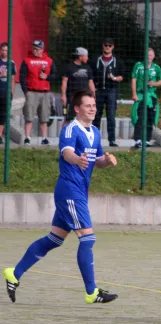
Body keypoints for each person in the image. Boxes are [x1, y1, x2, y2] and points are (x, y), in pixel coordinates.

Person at [2, 90, 119, 304]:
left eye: (94, 105)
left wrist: (107, 161)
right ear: (77, 108)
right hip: (70, 192)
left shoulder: (94, 131)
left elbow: (97, 160)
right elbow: (67, 153)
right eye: (88, 105)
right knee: (88, 238)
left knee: (53, 240)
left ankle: (14, 273)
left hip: (78, 192)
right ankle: (91, 292)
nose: (92, 108)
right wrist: (77, 160)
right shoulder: (70, 129)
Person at [20, 40, 57, 145]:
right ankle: (27, 137)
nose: (35, 50)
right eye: (34, 48)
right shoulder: (27, 60)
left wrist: (47, 77)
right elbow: (22, 76)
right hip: (31, 91)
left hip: (45, 92)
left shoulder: (49, 61)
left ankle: (44, 138)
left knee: (44, 116)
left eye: (37, 48)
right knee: (29, 115)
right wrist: (25, 91)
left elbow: (55, 75)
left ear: (42, 49)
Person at [92, 38, 125, 147]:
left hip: (112, 90)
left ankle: (112, 140)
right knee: (96, 115)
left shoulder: (118, 61)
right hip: (99, 90)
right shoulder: (96, 60)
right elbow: (90, 76)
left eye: (110, 45)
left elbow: (122, 77)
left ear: (113, 47)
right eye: (106, 45)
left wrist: (114, 78)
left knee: (111, 115)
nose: (107, 47)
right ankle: (95, 140)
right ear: (103, 46)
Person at [131, 48, 161, 149]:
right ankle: (138, 139)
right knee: (139, 117)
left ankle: (147, 140)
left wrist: (155, 83)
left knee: (150, 118)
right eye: (147, 55)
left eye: (151, 55)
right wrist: (134, 93)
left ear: (154, 56)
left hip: (151, 96)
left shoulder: (156, 68)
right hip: (140, 95)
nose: (149, 57)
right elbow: (133, 79)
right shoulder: (138, 65)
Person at [61, 47, 95, 123]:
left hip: (84, 99)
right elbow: (64, 82)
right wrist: (63, 95)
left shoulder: (88, 68)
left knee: (84, 118)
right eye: (86, 56)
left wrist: (93, 94)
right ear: (80, 57)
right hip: (72, 98)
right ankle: (64, 134)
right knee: (68, 119)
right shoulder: (69, 67)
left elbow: (90, 82)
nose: (87, 58)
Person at [0, 42, 16, 145]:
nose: (4, 52)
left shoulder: (11, 63)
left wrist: (12, 92)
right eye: (3, 50)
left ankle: (0, 136)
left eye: (6, 50)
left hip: (6, 92)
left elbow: (13, 79)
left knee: (3, 115)